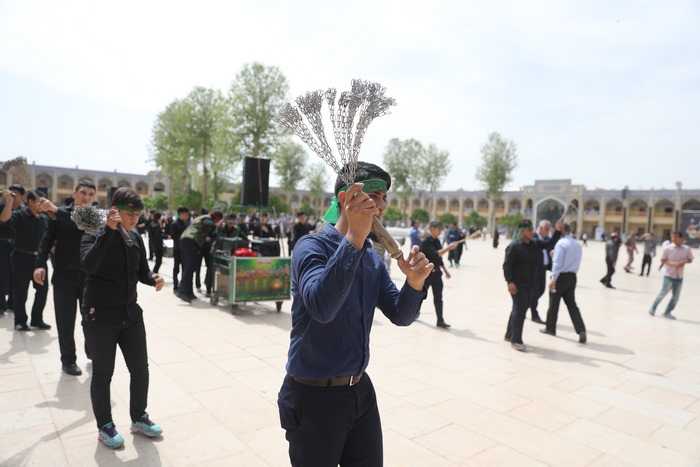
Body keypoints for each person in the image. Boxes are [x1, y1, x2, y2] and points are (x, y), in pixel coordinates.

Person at [277, 162, 433, 466]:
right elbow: (322, 308)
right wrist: (353, 240)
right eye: (373, 196)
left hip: (360, 391)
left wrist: (414, 284)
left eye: (384, 198)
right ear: (346, 199)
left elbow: (400, 314)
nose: (382, 206)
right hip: (313, 396)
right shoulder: (310, 247)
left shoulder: (371, 258)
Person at [80, 187, 165, 449]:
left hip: (130, 313)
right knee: (103, 373)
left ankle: (139, 417)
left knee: (140, 370)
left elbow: (141, 271)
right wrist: (108, 231)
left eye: (139, 215)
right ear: (115, 210)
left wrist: (152, 278)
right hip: (100, 315)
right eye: (130, 214)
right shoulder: (93, 232)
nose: (135, 219)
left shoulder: (135, 237)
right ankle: (105, 426)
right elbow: (88, 265)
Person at [33, 180, 97, 376]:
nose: (86, 197)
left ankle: (92, 351)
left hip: (88, 277)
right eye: (83, 193)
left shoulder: (93, 216)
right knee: (65, 321)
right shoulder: (58, 214)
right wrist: (40, 264)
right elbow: (47, 239)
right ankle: (68, 360)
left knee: (91, 319)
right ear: (74, 193)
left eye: (91, 194)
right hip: (63, 276)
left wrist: (55, 210)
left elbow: (80, 223)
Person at [503, 219, 562, 351]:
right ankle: (516, 340)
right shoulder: (514, 246)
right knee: (520, 310)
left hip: (530, 283)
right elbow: (507, 266)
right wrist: (510, 282)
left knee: (519, 309)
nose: (532, 232)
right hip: (517, 284)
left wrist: (558, 230)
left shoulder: (534, 244)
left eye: (532, 229)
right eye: (529, 230)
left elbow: (549, 243)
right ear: (522, 231)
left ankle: (509, 334)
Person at [0, 189, 50, 331]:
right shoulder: (20, 215)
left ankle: (37, 320)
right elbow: (4, 219)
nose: (43, 204)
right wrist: (10, 201)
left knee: (42, 291)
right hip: (21, 258)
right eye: (40, 202)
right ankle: (20, 321)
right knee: (20, 291)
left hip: (39, 260)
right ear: (31, 202)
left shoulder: (44, 218)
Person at [539, 223, 587, 343]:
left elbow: (557, 263)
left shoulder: (561, 243)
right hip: (572, 276)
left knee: (553, 304)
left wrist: (553, 279)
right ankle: (581, 330)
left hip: (561, 277)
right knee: (572, 305)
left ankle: (550, 328)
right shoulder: (577, 244)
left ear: (562, 231)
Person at [177, 210, 222, 303]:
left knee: (191, 267)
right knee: (190, 267)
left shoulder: (203, 218)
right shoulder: (207, 218)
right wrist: (217, 225)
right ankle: (182, 291)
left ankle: (189, 292)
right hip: (190, 241)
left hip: (188, 241)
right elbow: (210, 225)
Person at [648, 230, 693, 319]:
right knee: (663, 293)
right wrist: (673, 264)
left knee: (676, 296)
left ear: (681, 238)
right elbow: (663, 260)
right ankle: (653, 307)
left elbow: (690, 259)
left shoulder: (686, 249)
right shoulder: (668, 248)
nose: (673, 239)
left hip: (679, 276)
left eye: (675, 237)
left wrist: (683, 262)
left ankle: (667, 312)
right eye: (672, 237)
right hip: (669, 275)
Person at [421, 221, 458, 328]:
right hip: (427, 274)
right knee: (420, 296)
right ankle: (414, 313)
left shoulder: (437, 241)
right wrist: (448, 248)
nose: (440, 231)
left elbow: (439, 258)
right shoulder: (426, 242)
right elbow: (435, 254)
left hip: (437, 274)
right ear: (432, 229)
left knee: (438, 298)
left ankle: (440, 320)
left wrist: (445, 270)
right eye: (438, 229)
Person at [0, 183, 24, 317]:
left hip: (18, 246)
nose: (13, 197)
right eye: (11, 193)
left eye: (16, 194)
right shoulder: (2, 207)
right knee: (2, 275)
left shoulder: (24, 211)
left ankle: (12, 303)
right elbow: (4, 219)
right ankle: (1, 305)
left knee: (16, 276)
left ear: (22, 197)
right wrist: (8, 201)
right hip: (2, 245)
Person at [529, 220, 553, 324]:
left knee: (541, 290)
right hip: (534, 270)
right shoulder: (533, 237)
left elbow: (551, 247)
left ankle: (526, 305)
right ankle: (534, 314)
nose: (548, 231)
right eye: (547, 229)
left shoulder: (547, 239)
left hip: (543, 269)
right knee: (534, 292)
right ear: (541, 228)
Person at [169, 206, 190, 292]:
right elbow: (173, 236)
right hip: (177, 249)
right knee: (176, 268)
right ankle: (175, 285)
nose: (187, 216)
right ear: (180, 214)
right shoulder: (174, 224)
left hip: (185, 250)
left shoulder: (187, 224)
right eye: (186, 214)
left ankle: (183, 286)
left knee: (185, 268)